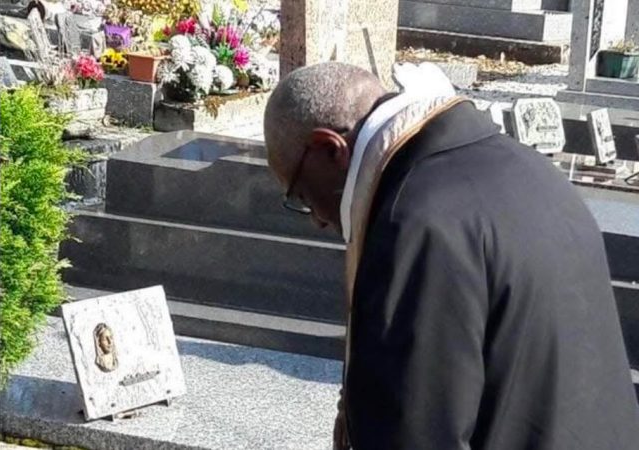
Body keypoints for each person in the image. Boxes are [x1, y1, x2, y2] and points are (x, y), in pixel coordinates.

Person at [263, 62, 639, 450]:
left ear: (330, 148)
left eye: (300, 195)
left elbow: (414, 432)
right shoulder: (531, 168)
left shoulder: (414, 221)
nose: (317, 220)